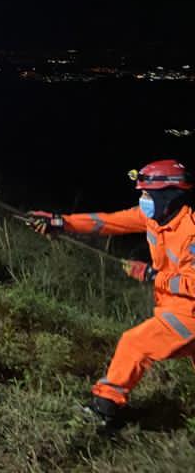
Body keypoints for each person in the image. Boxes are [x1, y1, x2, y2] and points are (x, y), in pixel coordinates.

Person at [29, 159, 195, 426]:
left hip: (189, 313)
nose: (143, 200)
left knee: (135, 343)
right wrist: (61, 222)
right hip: (173, 307)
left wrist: (152, 275)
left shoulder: (191, 232)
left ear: (169, 196)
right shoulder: (153, 219)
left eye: (147, 194)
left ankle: (104, 408)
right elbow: (105, 223)